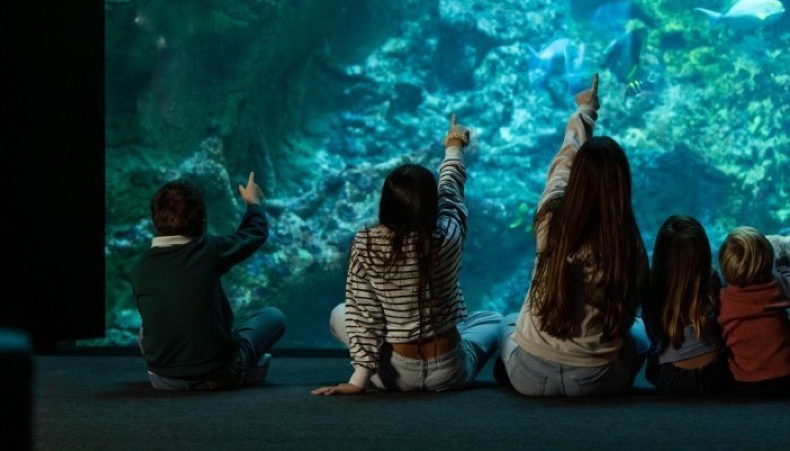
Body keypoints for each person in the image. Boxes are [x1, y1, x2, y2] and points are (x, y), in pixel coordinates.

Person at [313, 114, 502, 395]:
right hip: (449, 372)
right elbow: (451, 193)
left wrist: (358, 382)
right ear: (431, 204)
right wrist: (454, 145)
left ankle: (369, 371)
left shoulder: (366, 243)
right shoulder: (449, 234)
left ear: (387, 204)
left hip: (394, 377)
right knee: (493, 319)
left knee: (340, 313)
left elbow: (365, 313)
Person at [494, 73, 651, 397]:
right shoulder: (626, 242)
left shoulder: (550, 216)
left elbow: (564, 161)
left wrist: (585, 111)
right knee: (639, 334)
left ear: (577, 178)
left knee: (508, 321)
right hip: (596, 382)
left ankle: (509, 367)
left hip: (529, 377)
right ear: (622, 186)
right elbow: (634, 303)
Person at [132, 171, 286, 391]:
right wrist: (254, 203)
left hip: (163, 380)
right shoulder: (209, 250)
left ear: (155, 221)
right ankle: (244, 371)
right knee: (274, 317)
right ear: (202, 221)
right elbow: (254, 234)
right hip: (219, 371)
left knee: (145, 328)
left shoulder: (140, 267)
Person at [717, 226, 790, 397]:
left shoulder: (723, 298)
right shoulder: (777, 284)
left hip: (746, 382)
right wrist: (784, 269)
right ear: (767, 259)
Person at [642, 215, 732, 396]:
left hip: (672, 380)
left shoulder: (651, 283)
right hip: (716, 376)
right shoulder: (711, 277)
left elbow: (652, 332)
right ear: (704, 252)